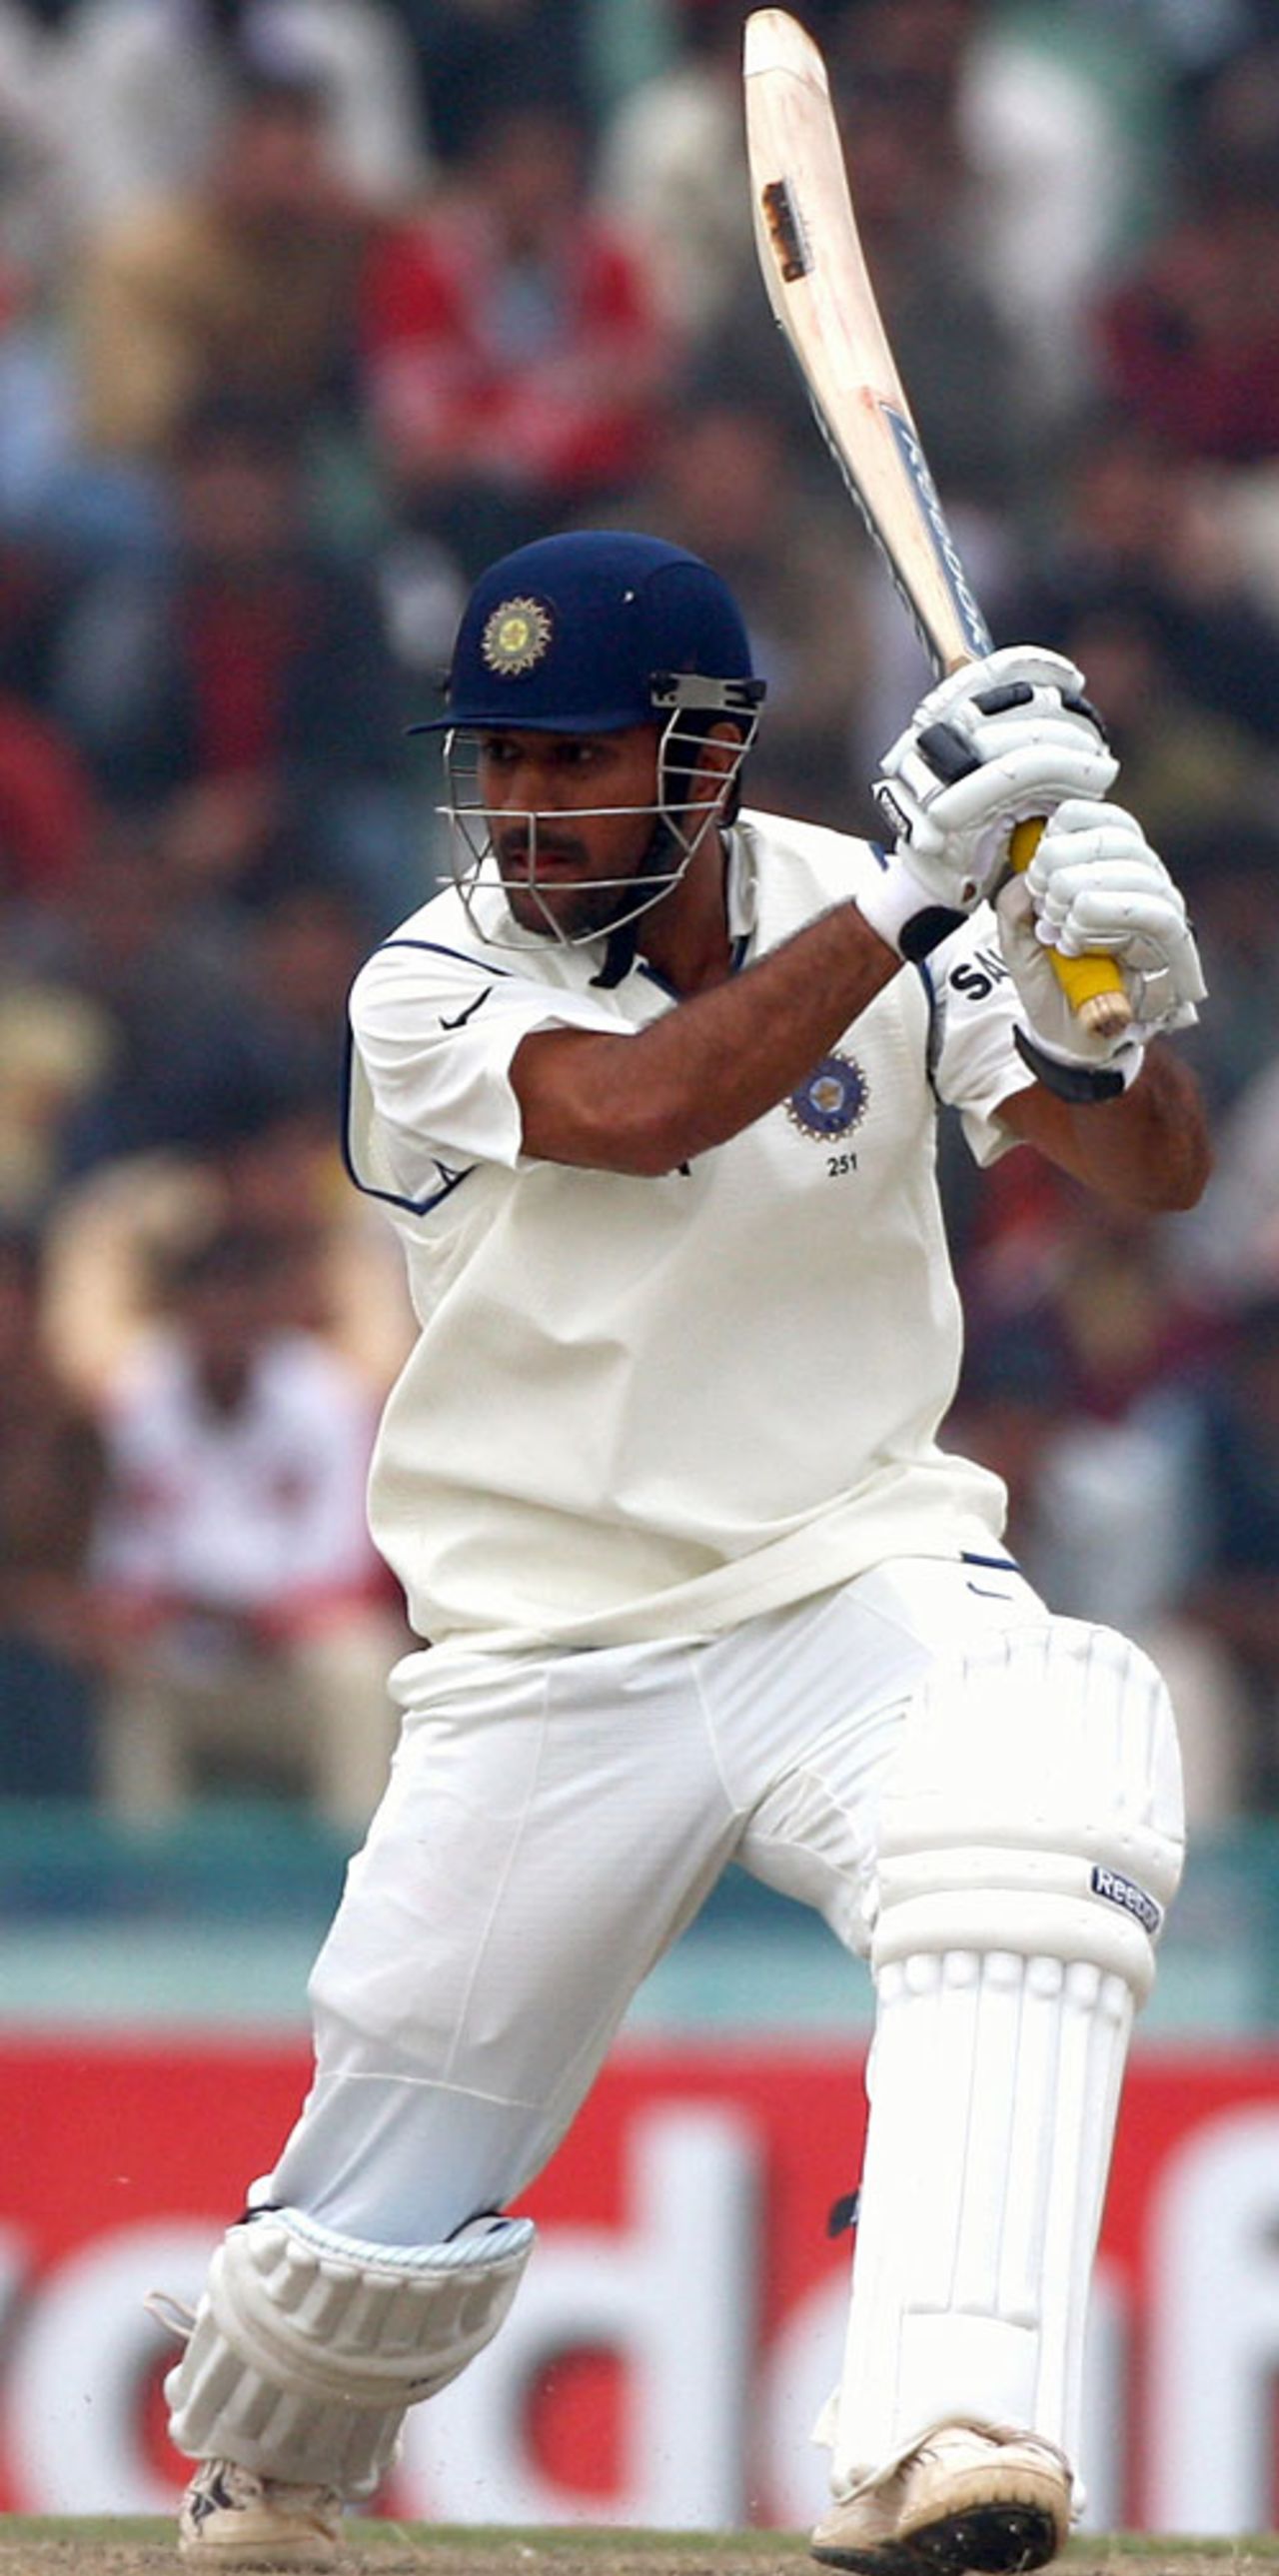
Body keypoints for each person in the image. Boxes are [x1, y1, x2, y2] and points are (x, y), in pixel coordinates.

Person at [158, 531, 1209, 2570]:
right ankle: (265, 2461)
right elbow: (647, 1106)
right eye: (501, 758)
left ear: (704, 755)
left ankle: (947, 2423)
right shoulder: (428, 978)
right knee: (352, 2253)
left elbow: (1147, 1172)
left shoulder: (882, 897)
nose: (526, 806)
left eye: (577, 756)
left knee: (1053, 1749)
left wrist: (1096, 1006)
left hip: (849, 1568)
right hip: (545, 1643)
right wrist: (928, 891)